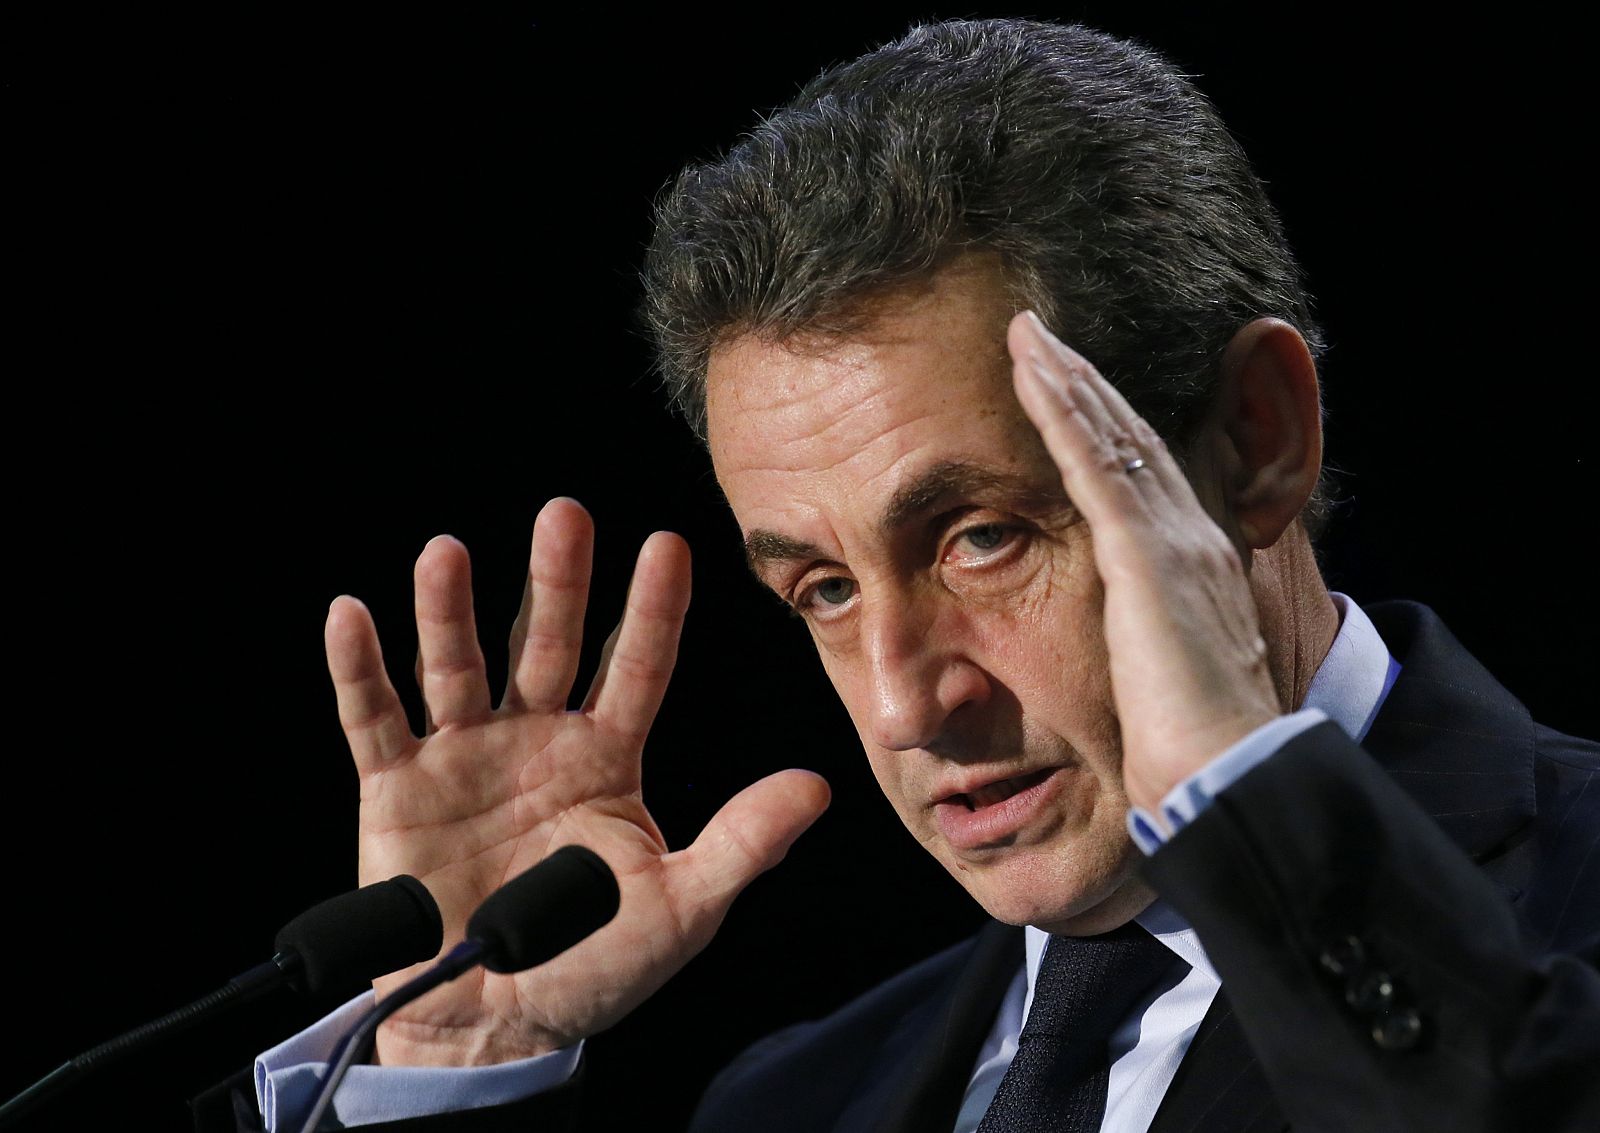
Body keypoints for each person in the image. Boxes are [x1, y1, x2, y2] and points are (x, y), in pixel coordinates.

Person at [193, 17, 1598, 1132]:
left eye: (980, 535)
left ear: (1257, 441)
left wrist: (1256, 806)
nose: (905, 700)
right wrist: (453, 1055)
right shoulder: (793, 1100)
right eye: (825, 588)